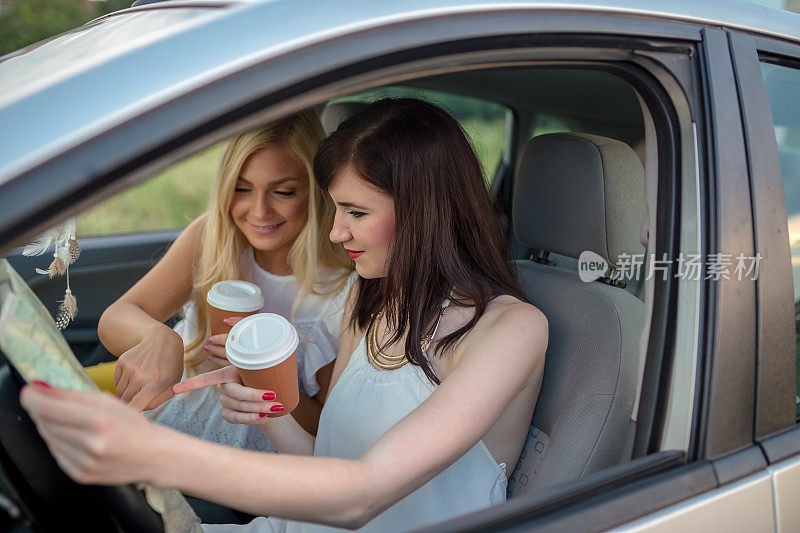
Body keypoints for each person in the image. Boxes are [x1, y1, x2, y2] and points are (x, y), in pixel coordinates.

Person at [20, 98, 548, 532]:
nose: (337, 232)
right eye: (336, 208)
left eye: (356, 213)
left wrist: (150, 453)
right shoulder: (374, 303)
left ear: (424, 213)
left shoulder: (511, 330)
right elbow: (326, 459)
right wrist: (266, 405)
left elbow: (363, 494)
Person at [95, 110, 354, 450]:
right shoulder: (212, 237)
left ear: (316, 192)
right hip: (166, 422)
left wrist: (254, 372)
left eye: (283, 192)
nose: (259, 211)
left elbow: (326, 426)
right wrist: (160, 337)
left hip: (247, 453)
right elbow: (114, 318)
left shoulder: (337, 292)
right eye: (242, 189)